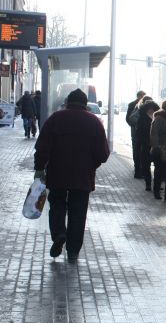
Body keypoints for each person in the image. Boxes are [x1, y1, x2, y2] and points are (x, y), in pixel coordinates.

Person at [34, 88, 110, 262]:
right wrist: (92, 165)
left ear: (67, 102)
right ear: (85, 104)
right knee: (78, 211)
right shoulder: (94, 122)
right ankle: (73, 249)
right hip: (82, 176)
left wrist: (39, 169)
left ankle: (59, 234)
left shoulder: (56, 119)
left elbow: (42, 148)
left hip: (57, 174)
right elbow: (103, 154)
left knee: (57, 205)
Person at [136, 97, 160, 192]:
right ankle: (148, 184)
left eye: (152, 109)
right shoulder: (142, 118)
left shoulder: (158, 117)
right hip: (145, 146)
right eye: (149, 109)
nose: (151, 111)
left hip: (156, 146)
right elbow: (138, 133)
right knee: (146, 166)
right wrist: (143, 142)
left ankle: (157, 184)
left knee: (158, 166)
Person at [126, 90, 146, 178]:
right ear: (138, 96)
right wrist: (135, 126)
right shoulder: (132, 105)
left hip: (139, 132)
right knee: (137, 151)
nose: (142, 98)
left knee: (140, 151)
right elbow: (128, 119)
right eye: (142, 96)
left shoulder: (145, 105)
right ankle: (137, 168)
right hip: (135, 132)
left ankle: (140, 169)